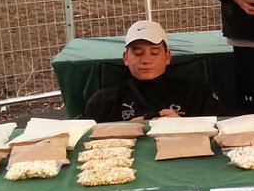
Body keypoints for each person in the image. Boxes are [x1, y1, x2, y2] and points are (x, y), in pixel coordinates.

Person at [82, 20, 225, 122]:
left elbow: (223, 129)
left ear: (167, 56)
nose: (146, 60)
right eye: (138, 53)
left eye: (155, 53)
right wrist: (124, 130)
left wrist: (184, 125)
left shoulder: (197, 96)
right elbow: (85, 140)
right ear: (126, 58)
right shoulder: (102, 102)